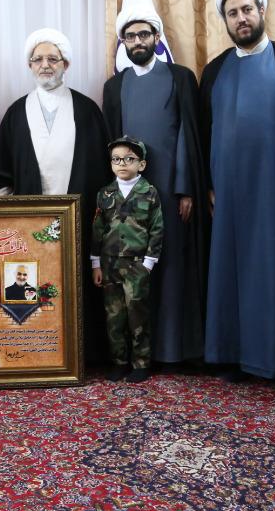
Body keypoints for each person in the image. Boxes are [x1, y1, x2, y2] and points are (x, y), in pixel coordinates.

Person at [200, 0, 275, 385]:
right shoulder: (214, 71)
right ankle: (233, 356)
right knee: (229, 273)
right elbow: (203, 133)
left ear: (262, 11)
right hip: (228, 195)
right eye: (232, 13)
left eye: (247, 9)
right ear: (226, 22)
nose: (241, 18)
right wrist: (207, 185)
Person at [0, 27, 109, 361]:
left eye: (53, 58)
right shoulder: (16, 112)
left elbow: (102, 169)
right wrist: (14, 217)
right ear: (30, 65)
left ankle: (83, 354)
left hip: (80, 220)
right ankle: (30, 354)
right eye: (38, 59)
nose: (45, 65)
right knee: (27, 284)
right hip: (29, 225)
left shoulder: (87, 110)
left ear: (66, 64)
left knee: (77, 285)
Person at [102, 6, 208, 366]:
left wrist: (185, 189)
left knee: (172, 267)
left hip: (170, 190)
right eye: (130, 36)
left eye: (144, 34)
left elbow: (188, 135)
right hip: (129, 197)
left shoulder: (181, 77)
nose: (138, 41)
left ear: (157, 38)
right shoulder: (115, 86)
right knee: (134, 273)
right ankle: (138, 355)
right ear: (123, 43)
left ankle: (174, 351)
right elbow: (113, 145)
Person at [91, 136, 163, 383]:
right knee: (114, 317)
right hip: (109, 264)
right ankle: (119, 362)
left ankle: (141, 363)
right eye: (116, 159)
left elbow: (157, 229)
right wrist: (95, 264)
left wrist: (148, 263)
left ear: (141, 164)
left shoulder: (149, 192)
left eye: (129, 159)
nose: (122, 163)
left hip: (137, 264)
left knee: (137, 314)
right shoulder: (105, 193)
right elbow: (97, 230)